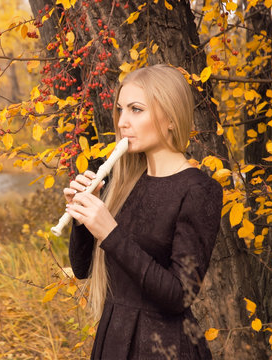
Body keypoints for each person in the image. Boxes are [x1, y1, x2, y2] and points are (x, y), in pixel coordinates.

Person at [63, 64, 223, 359]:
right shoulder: (117, 178)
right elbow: (82, 268)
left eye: (136, 110)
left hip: (163, 346)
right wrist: (82, 217)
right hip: (113, 338)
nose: (123, 122)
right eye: (121, 109)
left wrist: (110, 231)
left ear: (171, 118)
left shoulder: (199, 190)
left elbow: (180, 295)